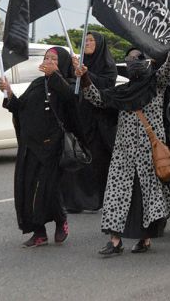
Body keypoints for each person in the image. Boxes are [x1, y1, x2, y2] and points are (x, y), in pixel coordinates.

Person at [75, 23, 170, 256]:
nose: (133, 61)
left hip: (149, 154)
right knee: (116, 194)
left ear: (146, 62)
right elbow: (96, 98)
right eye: (129, 58)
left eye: (138, 57)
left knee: (145, 196)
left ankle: (144, 238)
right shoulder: (122, 92)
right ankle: (114, 241)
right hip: (123, 153)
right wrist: (84, 77)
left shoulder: (157, 85)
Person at [0, 47, 80, 248]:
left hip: (52, 146)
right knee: (28, 188)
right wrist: (8, 92)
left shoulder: (66, 84)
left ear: (61, 63)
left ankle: (61, 221)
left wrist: (54, 76)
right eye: (46, 58)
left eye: (54, 59)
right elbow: (19, 107)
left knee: (47, 188)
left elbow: (71, 100)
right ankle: (39, 232)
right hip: (31, 145)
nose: (49, 61)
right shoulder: (37, 83)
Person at [62, 31, 118, 213]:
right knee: (78, 160)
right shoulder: (77, 65)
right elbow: (69, 85)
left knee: (99, 162)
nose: (87, 42)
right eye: (85, 40)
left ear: (100, 43)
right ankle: (77, 201)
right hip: (80, 119)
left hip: (100, 122)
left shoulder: (108, 66)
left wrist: (87, 74)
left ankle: (99, 199)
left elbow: (106, 85)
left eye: (91, 40)